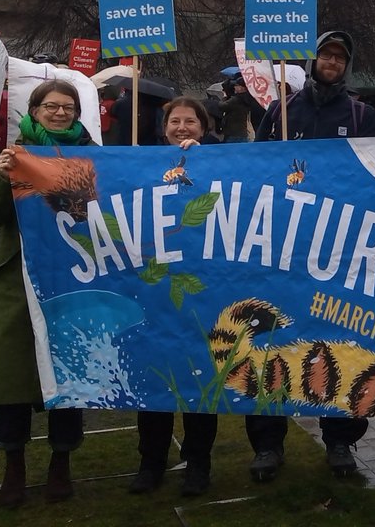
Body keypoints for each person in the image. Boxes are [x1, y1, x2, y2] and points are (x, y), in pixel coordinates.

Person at [251, 31, 375, 481]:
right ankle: (268, 444)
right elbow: (253, 170)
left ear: (347, 65)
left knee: (339, 348)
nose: (332, 61)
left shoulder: (361, 114)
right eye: (326, 54)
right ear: (313, 59)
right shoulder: (283, 112)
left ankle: (340, 440)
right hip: (283, 250)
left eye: (340, 57)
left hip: (338, 253)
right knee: (271, 344)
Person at [0, 79, 90, 508]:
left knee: (69, 373)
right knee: (12, 379)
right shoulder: (15, 156)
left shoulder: (89, 154)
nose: (60, 114)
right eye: (51, 107)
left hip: (74, 277)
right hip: (17, 283)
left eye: (68, 108)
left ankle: (61, 464)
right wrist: (3, 178)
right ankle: (14, 466)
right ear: (34, 111)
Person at [128, 98, 220, 497]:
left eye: (191, 121)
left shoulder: (221, 162)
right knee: (155, 383)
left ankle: (198, 464)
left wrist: (203, 165)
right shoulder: (142, 161)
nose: (182, 127)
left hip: (204, 290)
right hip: (157, 289)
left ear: (204, 126)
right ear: (163, 127)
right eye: (175, 121)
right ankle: (151, 462)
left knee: (201, 382)